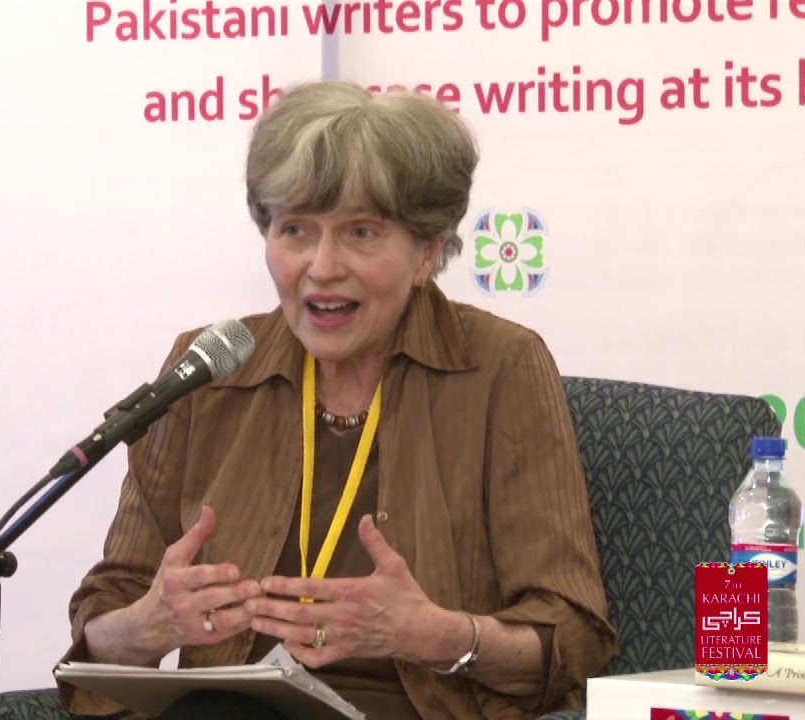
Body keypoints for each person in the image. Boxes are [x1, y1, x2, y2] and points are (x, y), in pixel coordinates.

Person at [53, 80, 617, 720]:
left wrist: (438, 635)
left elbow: (573, 637)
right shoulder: (207, 370)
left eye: (361, 233)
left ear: (428, 252)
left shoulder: (500, 367)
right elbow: (104, 620)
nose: (322, 267)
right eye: (295, 229)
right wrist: (148, 625)